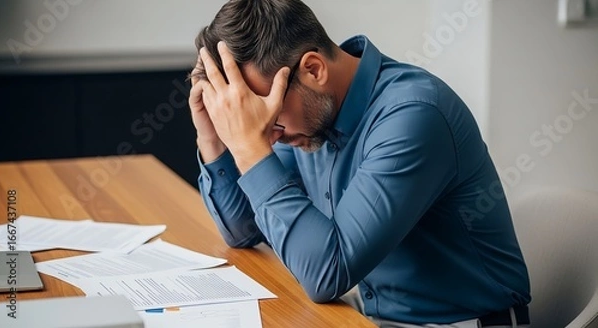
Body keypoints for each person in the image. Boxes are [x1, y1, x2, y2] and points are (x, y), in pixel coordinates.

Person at [188, 0, 531, 327]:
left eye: (270, 116)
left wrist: (249, 148)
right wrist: (214, 141)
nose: (270, 136)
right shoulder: (304, 119)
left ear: (313, 69)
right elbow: (245, 229)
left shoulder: (413, 116)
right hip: (365, 318)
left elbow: (326, 274)